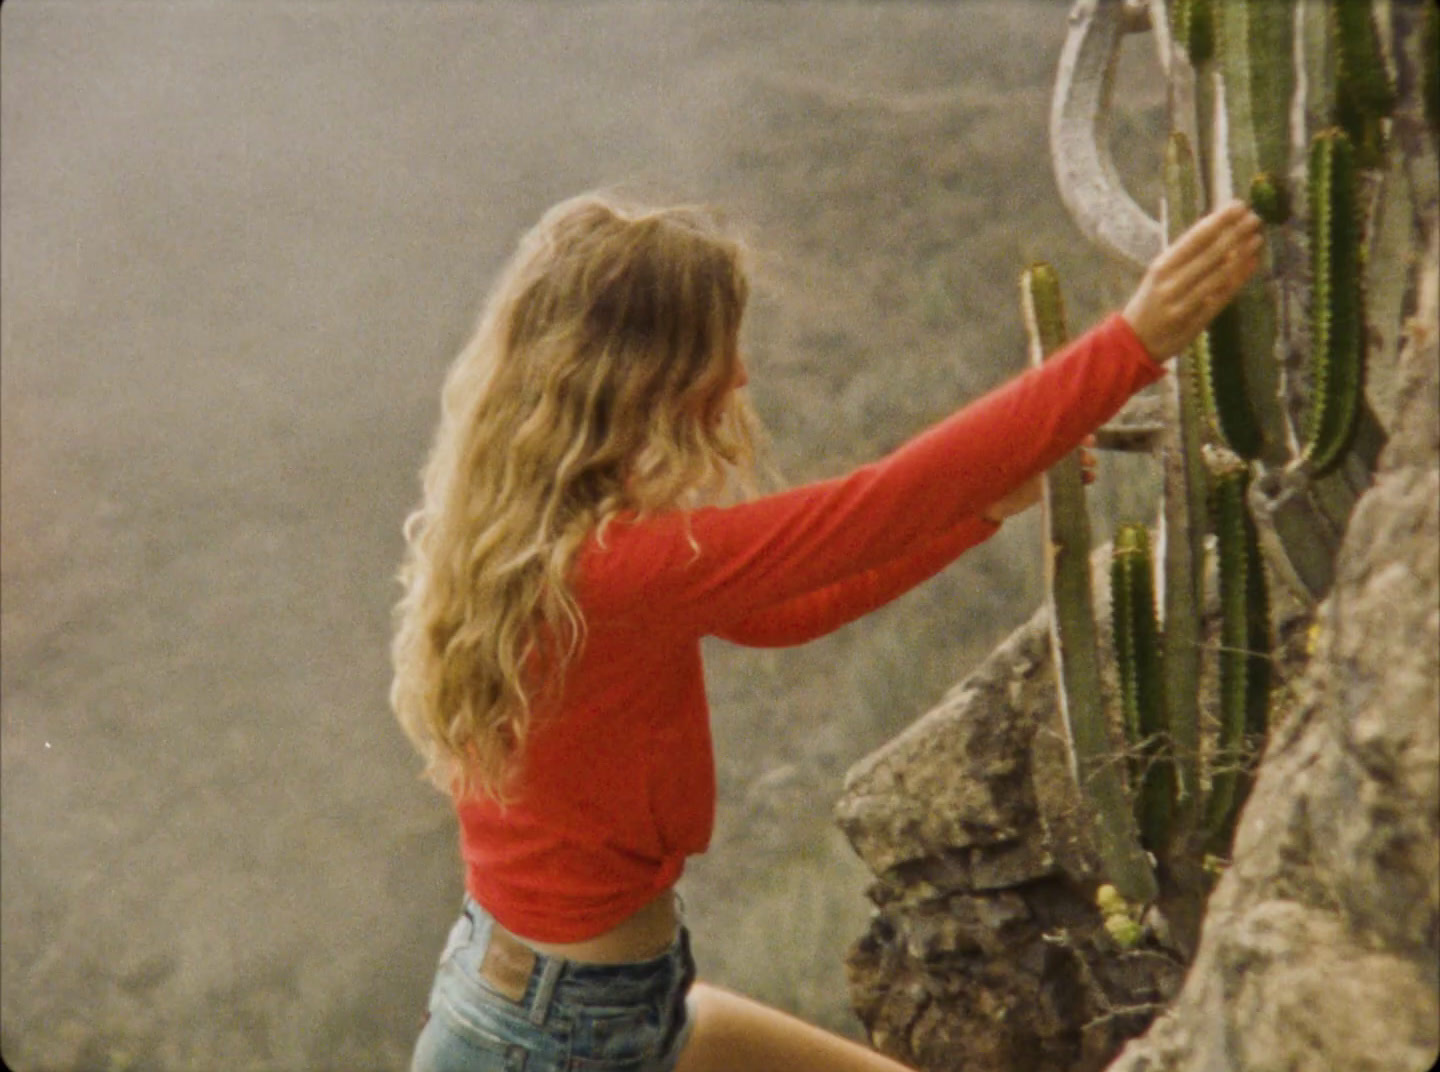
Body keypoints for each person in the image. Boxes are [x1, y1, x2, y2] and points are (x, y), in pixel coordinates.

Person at [391, 191, 1264, 1072]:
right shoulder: (616, 570)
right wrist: (1132, 344)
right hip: (560, 1040)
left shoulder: (544, 541)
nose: (737, 380)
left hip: (587, 1006)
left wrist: (979, 514)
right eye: (715, 353)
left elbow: (781, 615)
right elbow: (876, 506)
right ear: (644, 374)